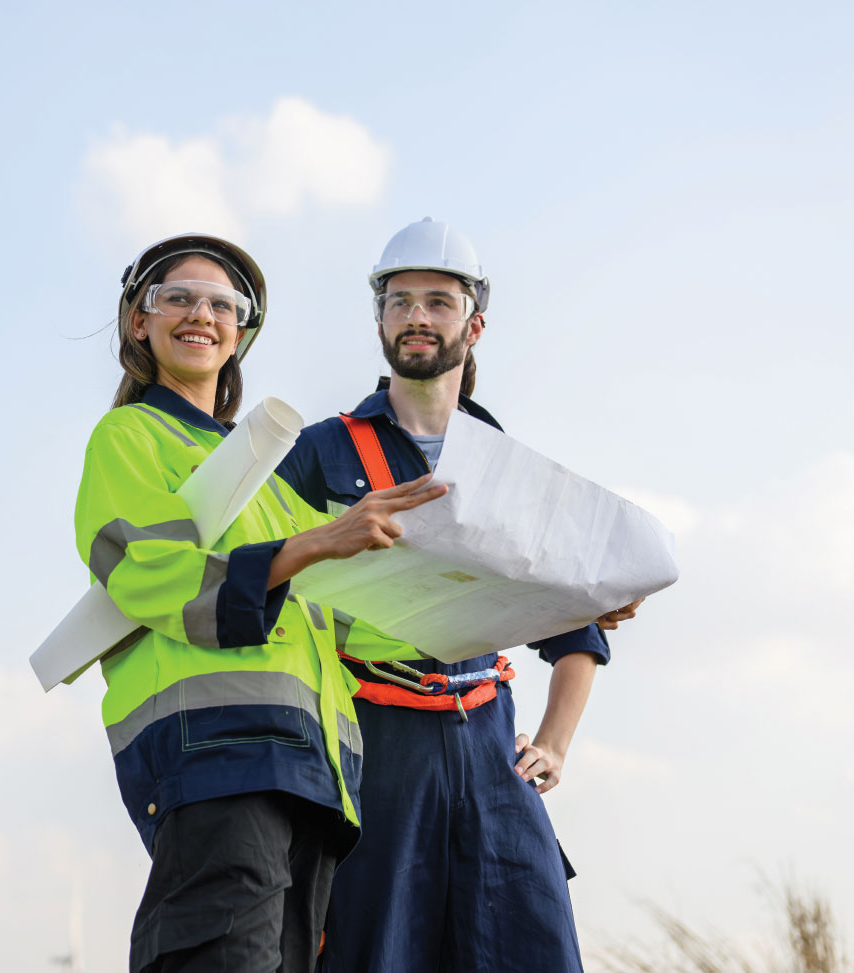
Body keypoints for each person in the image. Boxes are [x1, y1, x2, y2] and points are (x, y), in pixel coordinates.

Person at [74, 233, 448, 972]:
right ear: (137, 322)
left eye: (223, 304)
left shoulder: (273, 490)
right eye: (175, 297)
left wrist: (548, 609)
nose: (201, 313)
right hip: (218, 754)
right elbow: (152, 572)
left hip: (312, 778)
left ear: (241, 332)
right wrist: (313, 544)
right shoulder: (131, 437)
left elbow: (367, 623)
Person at [275, 218, 642, 971]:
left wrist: (555, 742)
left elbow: (575, 622)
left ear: (473, 324)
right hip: (376, 747)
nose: (417, 316)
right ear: (378, 318)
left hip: (489, 745)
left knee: (529, 947)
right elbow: (264, 578)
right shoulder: (319, 452)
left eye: (438, 302)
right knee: (373, 950)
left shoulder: (501, 458)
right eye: (401, 299)